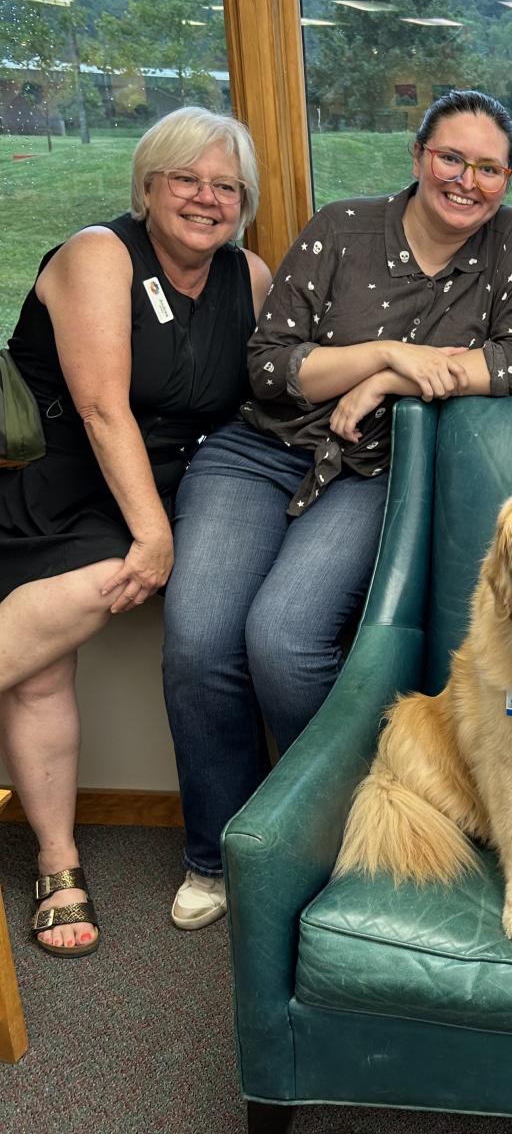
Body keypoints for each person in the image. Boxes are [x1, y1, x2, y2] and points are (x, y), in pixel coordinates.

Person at [162, 89, 512, 930]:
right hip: (260, 452)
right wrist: (387, 352)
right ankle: (219, 851)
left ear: (506, 179)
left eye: (488, 168)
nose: (467, 180)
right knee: (200, 639)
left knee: (284, 637)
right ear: (418, 157)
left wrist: (384, 381)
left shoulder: (511, 242)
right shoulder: (342, 227)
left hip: (373, 468)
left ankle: (320, 831)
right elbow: (271, 368)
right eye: (451, 157)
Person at [0, 107, 270, 955]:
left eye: (225, 186)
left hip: (170, 491)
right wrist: (154, 539)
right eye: (185, 179)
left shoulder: (251, 279)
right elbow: (100, 406)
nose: (205, 198)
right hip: (59, 483)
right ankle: (59, 860)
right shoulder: (98, 254)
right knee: (43, 666)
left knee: (42, 668)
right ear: (148, 186)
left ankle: (55, 863)